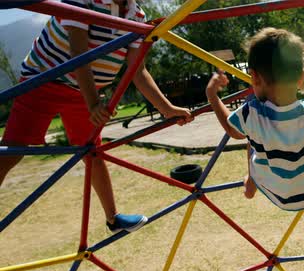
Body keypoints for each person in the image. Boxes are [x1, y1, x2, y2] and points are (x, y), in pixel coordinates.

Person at [0, 0, 194, 233]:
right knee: (12, 151)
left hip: (83, 92)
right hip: (43, 80)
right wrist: (93, 103)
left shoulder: (136, 16)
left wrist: (168, 108)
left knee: (93, 152)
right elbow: (77, 52)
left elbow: (138, 71)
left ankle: (113, 218)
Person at [206, 28, 304, 211]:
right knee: (255, 130)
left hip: (276, 193)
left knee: (252, 135)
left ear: (254, 76)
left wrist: (211, 94)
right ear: (301, 76)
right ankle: (253, 179)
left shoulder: (252, 113)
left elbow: (232, 131)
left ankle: (252, 180)